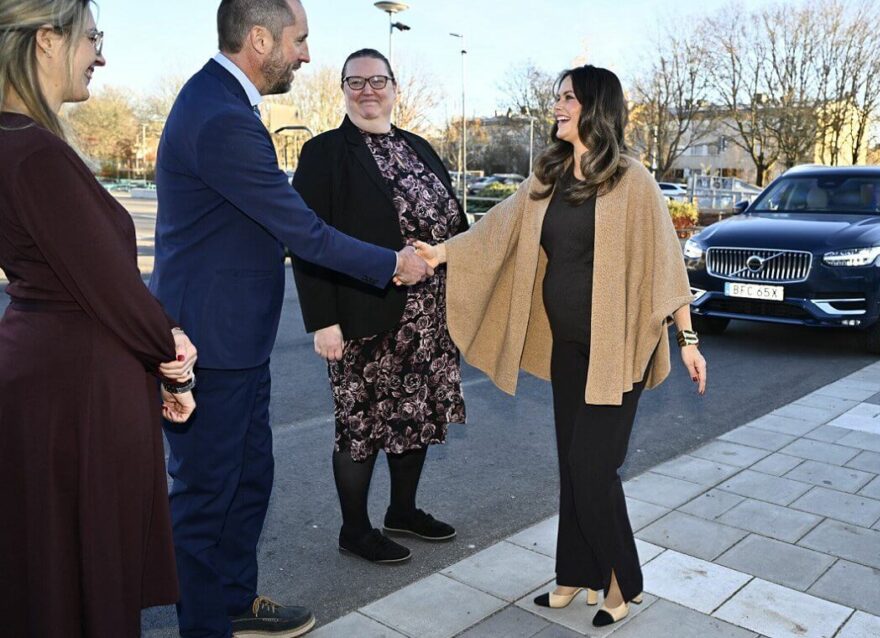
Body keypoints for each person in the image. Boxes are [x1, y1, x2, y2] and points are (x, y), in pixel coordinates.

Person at [148, 1, 431, 636]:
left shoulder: (226, 103)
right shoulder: (218, 114)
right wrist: (392, 263)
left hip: (238, 342)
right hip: (209, 345)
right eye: (299, 40)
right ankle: (206, 624)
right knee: (204, 498)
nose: (305, 54)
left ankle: (234, 601)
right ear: (259, 38)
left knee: (249, 482)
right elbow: (300, 228)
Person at [415, 65, 708, 628]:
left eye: (568, 97)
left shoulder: (632, 179)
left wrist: (687, 339)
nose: (557, 105)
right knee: (571, 465)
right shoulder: (546, 176)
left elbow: (667, 265)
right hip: (567, 346)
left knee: (591, 464)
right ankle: (574, 571)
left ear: (595, 107)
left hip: (620, 348)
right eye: (557, 96)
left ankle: (623, 577)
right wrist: (441, 253)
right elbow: (497, 229)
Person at [0, 1, 198, 636]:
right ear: (47, 40)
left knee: (49, 574)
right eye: (92, 38)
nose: (101, 54)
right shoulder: (35, 154)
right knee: (87, 579)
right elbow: (112, 288)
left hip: (46, 383)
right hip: (78, 396)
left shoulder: (15, 144)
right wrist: (174, 360)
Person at [290, 48, 468, 564]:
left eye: (378, 80)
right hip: (363, 314)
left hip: (430, 316)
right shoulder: (325, 153)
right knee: (361, 423)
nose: (368, 90)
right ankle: (354, 529)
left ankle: (403, 511)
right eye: (356, 81)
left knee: (416, 414)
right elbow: (308, 240)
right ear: (342, 89)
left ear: (395, 88)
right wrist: (323, 320)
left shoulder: (419, 146)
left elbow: (453, 223)